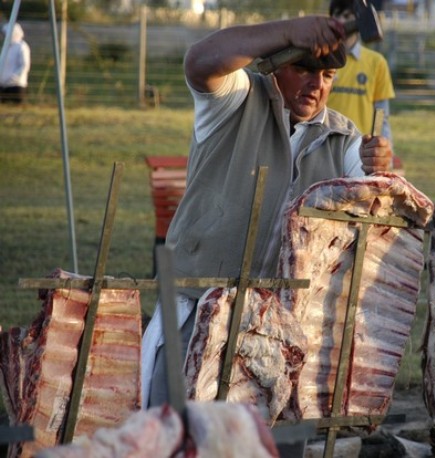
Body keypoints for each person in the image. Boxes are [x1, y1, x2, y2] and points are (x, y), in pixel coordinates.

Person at [140, 13, 392, 412]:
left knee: (267, 442)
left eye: (327, 75)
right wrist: (290, 30)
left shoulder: (342, 139)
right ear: (274, 66)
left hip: (282, 328)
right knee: (173, 432)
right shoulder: (236, 99)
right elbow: (200, 60)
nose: (316, 84)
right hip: (201, 304)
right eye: (304, 69)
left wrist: (381, 165)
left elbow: (378, 194)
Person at [327, 0, 399, 165]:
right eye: (336, 15)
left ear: (359, 20)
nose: (341, 21)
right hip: (324, 146)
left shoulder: (376, 62)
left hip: (359, 151)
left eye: (347, 15)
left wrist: (383, 151)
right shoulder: (321, 61)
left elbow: (381, 114)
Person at [0, 22, 30, 104]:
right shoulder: (7, 47)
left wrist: (12, 78)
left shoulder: (22, 46)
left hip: (16, 86)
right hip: (3, 85)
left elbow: (24, 65)